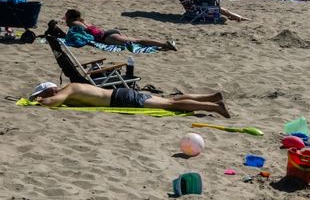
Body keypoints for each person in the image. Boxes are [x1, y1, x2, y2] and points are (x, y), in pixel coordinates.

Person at [28, 82, 229, 116]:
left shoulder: (68, 89)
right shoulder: (70, 91)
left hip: (122, 98)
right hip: (121, 94)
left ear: (50, 90)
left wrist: (38, 102)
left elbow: (53, 102)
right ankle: (212, 96)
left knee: (170, 105)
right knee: (170, 99)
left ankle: (213, 107)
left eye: (43, 94)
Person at [63, 9, 176, 50]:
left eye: (66, 17)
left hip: (107, 37)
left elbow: (78, 35)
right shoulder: (83, 21)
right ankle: (163, 44)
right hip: (108, 32)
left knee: (138, 41)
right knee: (136, 41)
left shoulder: (75, 23)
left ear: (70, 17)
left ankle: (164, 44)